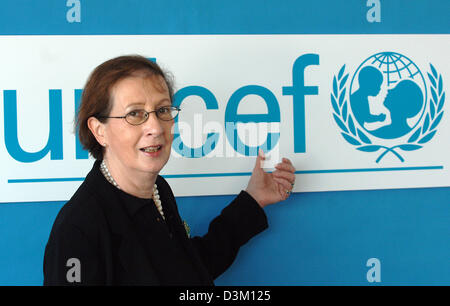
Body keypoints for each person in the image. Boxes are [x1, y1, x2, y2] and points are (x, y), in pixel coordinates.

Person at [43, 55, 296, 285]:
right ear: (100, 131)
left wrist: (252, 201)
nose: (155, 126)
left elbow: (185, 270)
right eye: (135, 114)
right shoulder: (77, 230)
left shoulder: (158, 189)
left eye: (162, 110)